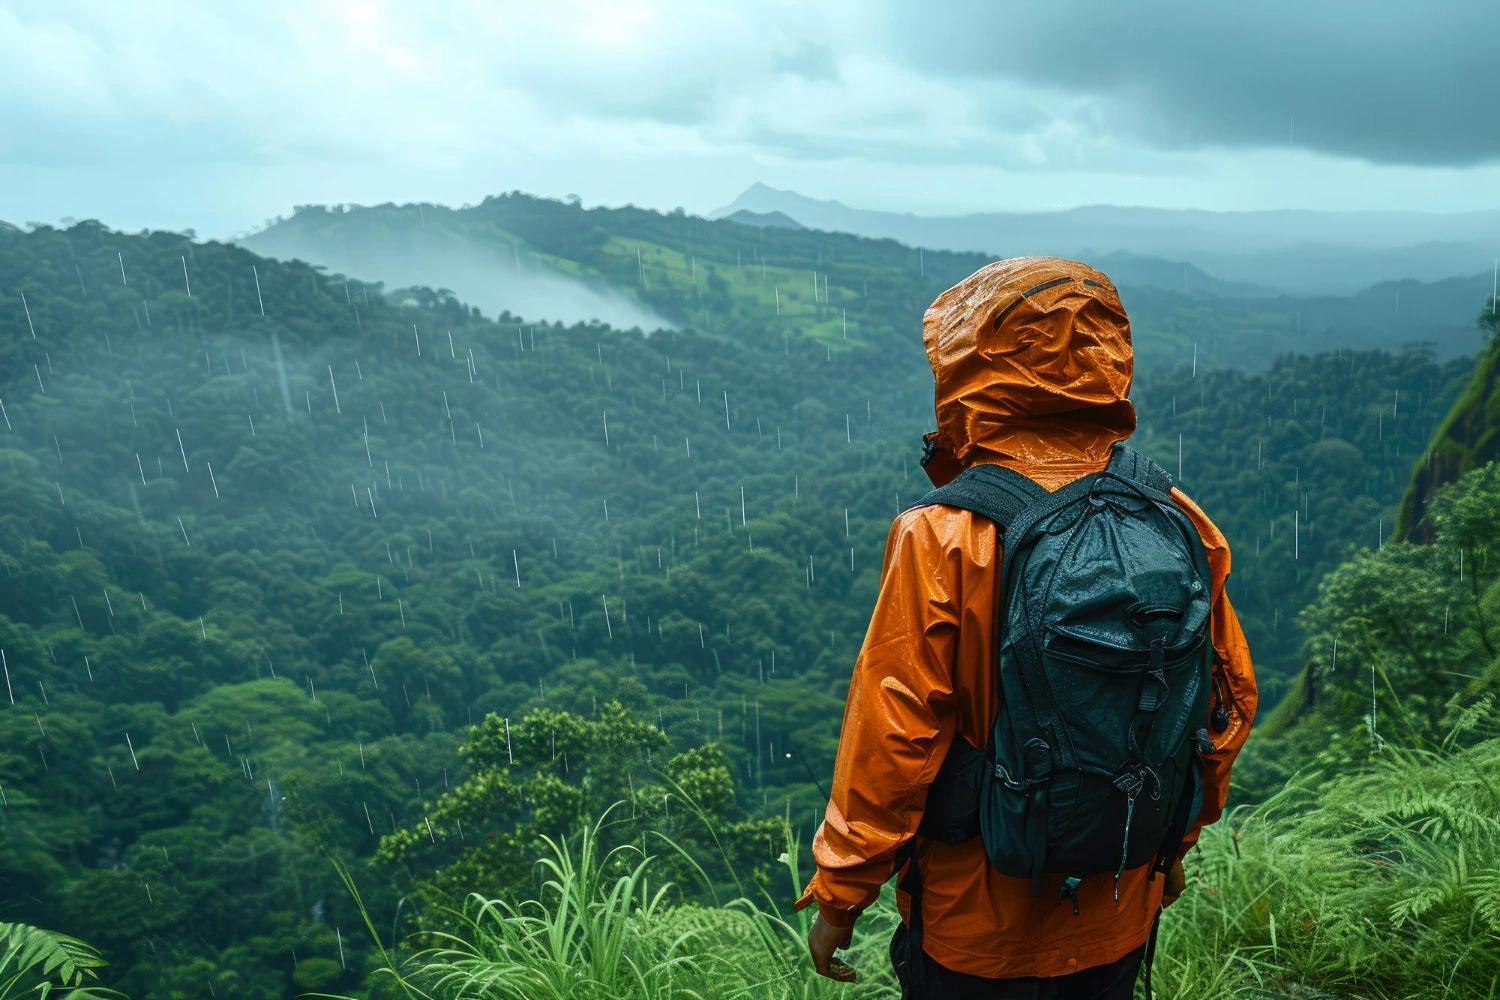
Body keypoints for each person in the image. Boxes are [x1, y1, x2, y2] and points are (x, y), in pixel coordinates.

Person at [796, 257, 1258, 999]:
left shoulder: (945, 532)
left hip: (975, 921)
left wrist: (841, 891)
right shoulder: (1175, 513)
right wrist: (1170, 843)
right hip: (1118, 898)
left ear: (971, 365)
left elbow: (894, 732)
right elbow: (1223, 702)